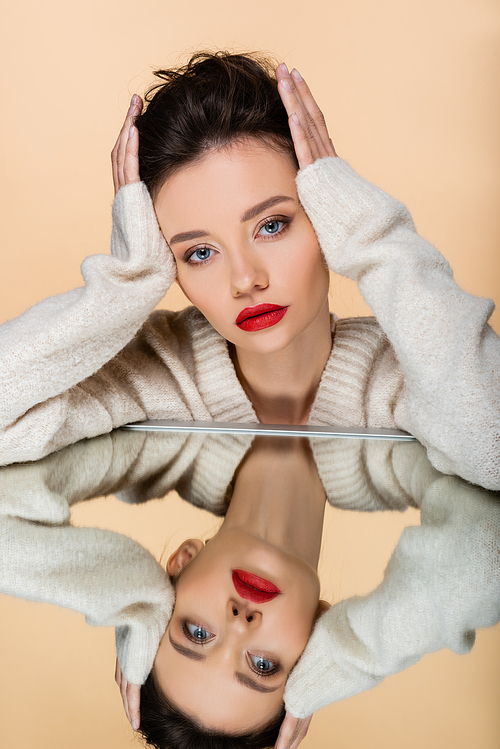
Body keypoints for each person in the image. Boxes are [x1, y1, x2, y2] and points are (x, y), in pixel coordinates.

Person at [0, 49, 499, 746]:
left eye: (272, 223)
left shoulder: (416, 373)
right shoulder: (155, 375)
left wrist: (369, 233)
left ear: (327, 211)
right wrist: (121, 286)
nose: (244, 279)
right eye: (196, 252)